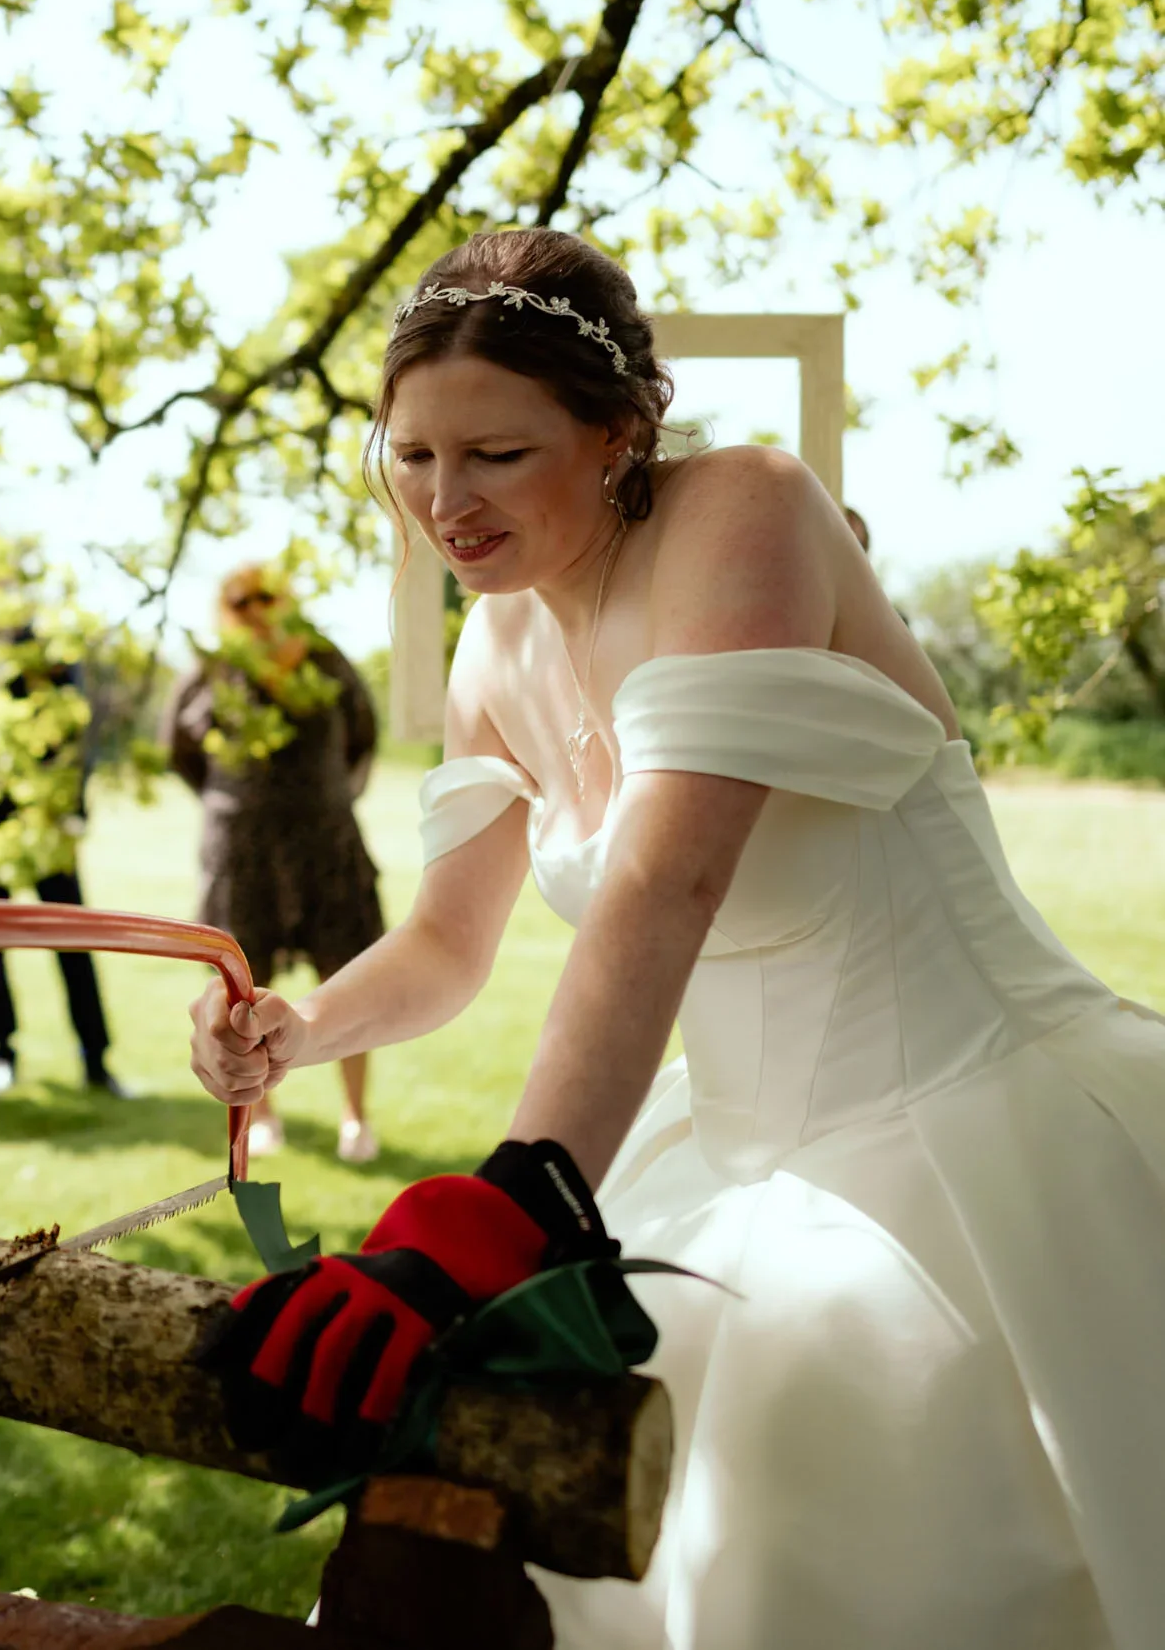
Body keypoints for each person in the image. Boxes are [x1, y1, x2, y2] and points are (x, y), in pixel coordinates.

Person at [187, 228, 1165, 1649]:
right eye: (412, 457)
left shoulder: (749, 506)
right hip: (728, 1156)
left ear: (619, 433)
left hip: (974, 1121)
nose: (444, 505)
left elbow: (664, 886)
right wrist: (299, 1025)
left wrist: (497, 1212)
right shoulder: (490, 644)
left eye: (498, 456)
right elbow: (449, 948)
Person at [166, 564, 384, 1160]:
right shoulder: (211, 673)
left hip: (327, 847)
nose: (256, 609)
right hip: (243, 855)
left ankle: (356, 1116)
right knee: (244, 987)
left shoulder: (325, 661)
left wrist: (330, 796)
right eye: (241, 600)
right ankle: (264, 1117)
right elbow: (179, 750)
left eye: (268, 597)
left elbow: (363, 734)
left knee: (348, 975)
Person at [0, 569, 129, 1098]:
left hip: (45, 820)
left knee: (73, 942)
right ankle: (2, 1052)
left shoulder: (41, 642)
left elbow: (76, 731)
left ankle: (96, 1060)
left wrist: (70, 810)